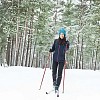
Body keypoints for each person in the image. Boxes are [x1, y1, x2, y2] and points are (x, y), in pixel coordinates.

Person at [49, 27, 69, 92]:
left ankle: (57, 86)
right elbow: (53, 48)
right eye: (61, 34)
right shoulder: (56, 41)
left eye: (63, 34)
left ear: (64, 35)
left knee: (59, 73)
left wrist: (67, 45)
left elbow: (66, 49)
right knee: (53, 72)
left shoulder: (66, 42)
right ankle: (54, 82)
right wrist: (51, 50)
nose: (62, 35)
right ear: (59, 34)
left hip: (61, 60)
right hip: (55, 59)